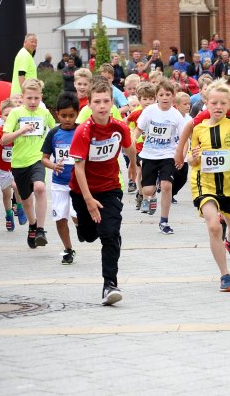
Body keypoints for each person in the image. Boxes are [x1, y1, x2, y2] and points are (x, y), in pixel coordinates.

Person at [68, 79, 138, 305]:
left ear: (112, 103)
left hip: (110, 189)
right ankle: (81, 224)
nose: (102, 106)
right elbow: (79, 168)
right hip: (82, 191)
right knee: (89, 236)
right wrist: (88, 199)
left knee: (110, 233)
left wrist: (133, 166)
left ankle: (110, 285)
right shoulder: (83, 131)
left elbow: (129, 147)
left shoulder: (119, 127)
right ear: (89, 104)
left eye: (106, 101)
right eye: (97, 102)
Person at [187, 80, 230, 292]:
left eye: (223, 103)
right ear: (206, 103)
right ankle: (225, 275)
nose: (218, 107)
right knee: (214, 226)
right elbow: (191, 157)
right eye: (214, 103)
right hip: (204, 185)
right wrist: (192, 158)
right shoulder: (199, 129)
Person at [1, 78, 56, 248]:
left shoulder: (44, 113)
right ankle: (32, 224)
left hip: (38, 159)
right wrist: (21, 130)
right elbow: (4, 140)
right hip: (19, 163)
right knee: (26, 200)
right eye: (29, 98)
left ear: (41, 97)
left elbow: (56, 131)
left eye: (36, 98)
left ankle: (40, 230)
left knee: (40, 187)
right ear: (22, 97)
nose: (33, 102)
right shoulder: (15, 114)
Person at [134, 79, 186, 235]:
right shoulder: (149, 111)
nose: (164, 98)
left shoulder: (176, 115)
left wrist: (181, 156)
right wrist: (132, 144)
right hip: (149, 154)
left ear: (173, 96)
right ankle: (151, 195)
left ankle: (164, 221)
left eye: (168, 94)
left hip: (168, 155)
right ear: (156, 96)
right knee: (148, 190)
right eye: (161, 95)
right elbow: (138, 130)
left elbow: (184, 138)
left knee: (166, 186)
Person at [40, 92, 79, 264]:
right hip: (59, 183)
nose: (68, 119)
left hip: (79, 183)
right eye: (64, 116)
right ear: (57, 114)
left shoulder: (82, 131)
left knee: (76, 215)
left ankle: (81, 228)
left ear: (77, 113)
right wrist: (53, 166)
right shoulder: (54, 133)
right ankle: (68, 249)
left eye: (71, 115)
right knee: (60, 218)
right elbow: (44, 158)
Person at [0, 99, 24, 231]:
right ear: (1, 117)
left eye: (12, 114)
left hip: (16, 166)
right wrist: (2, 143)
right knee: (6, 195)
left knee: (17, 187)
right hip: (3, 168)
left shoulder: (18, 131)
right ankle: (9, 215)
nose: (9, 117)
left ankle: (20, 208)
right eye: (6, 115)